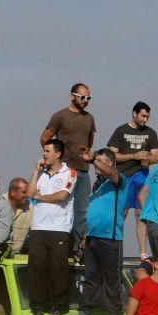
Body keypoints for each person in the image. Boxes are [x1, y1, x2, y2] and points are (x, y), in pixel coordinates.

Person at [69, 149, 128, 315]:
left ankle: (115, 314)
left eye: (100, 161)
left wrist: (93, 158)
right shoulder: (97, 185)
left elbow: (111, 173)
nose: (96, 166)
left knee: (111, 278)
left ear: (110, 163)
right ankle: (86, 310)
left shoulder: (119, 180)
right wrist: (85, 236)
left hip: (110, 238)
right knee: (90, 277)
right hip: (92, 237)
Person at [40, 83, 96, 256]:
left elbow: (89, 142)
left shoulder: (89, 118)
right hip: (64, 169)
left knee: (82, 210)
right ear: (72, 96)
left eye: (88, 98)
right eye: (82, 97)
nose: (85, 101)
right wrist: (55, 160)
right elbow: (45, 139)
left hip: (83, 170)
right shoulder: (60, 116)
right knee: (60, 207)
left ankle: (77, 248)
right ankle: (58, 246)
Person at [26, 139, 77, 315]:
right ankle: (38, 306)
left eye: (48, 151)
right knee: (37, 266)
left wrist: (40, 196)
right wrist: (35, 171)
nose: (44, 154)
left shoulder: (69, 172)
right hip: (38, 227)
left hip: (59, 228)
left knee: (57, 267)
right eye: (44, 151)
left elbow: (62, 196)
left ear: (58, 153)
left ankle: (57, 305)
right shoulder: (42, 173)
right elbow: (29, 194)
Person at [107, 101, 158, 260]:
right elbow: (111, 155)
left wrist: (145, 159)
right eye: (143, 116)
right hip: (123, 176)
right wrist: (133, 156)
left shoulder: (151, 133)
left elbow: (156, 157)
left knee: (141, 214)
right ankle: (115, 247)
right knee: (121, 213)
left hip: (142, 175)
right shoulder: (121, 130)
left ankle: (143, 253)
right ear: (134, 114)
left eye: (148, 117)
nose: (145, 119)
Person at [3, 177, 32, 255]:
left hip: (15, 255)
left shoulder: (30, 208)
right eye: (24, 192)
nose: (28, 195)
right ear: (12, 192)